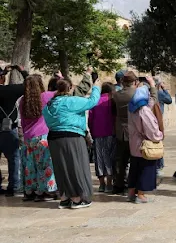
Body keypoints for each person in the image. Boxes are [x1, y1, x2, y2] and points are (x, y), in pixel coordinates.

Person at [43, 77, 101, 209]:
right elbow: (92, 101)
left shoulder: (49, 105)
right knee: (75, 166)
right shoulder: (71, 101)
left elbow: (47, 120)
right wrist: (96, 87)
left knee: (60, 168)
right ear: (69, 88)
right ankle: (77, 198)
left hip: (53, 138)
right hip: (72, 137)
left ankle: (64, 198)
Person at [16, 75, 57, 201]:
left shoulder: (22, 100)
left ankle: (29, 191)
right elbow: (61, 89)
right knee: (45, 165)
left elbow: (22, 121)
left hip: (28, 138)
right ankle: (44, 191)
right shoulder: (45, 96)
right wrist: (59, 77)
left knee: (29, 166)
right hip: (43, 136)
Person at [127, 78, 164, 203]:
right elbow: (151, 129)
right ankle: (141, 195)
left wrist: (153, 87)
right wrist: (159, 136)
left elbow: (151, 102)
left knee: (134, 168)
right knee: (145, 168)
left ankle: (131, 193)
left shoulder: (132, 108)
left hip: (134, 144)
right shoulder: (144, 110)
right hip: (144, 144)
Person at [0, 65, 28, 197]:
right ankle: (13, 186)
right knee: (14, 158)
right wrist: (21, 70)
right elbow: (29, 84)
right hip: (8, 130)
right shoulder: (10, 90)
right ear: (2, 78)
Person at [111, 71, 137, 194]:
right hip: (134, 130)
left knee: (121, 161)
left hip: (120, 130)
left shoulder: (116, 95)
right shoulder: (136, 94)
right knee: (135, 160)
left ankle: (119, 184)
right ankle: (132, 184)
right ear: (134, 82)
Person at [88, 82, 117, 193]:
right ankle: (109, 184)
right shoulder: (112, 101)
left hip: (97, 134)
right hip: (111, 133)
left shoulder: (95, 101)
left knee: (99, 158)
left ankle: (101, 184)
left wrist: (91, 131)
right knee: (110, 158)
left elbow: (90, 119)